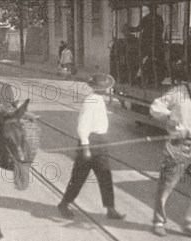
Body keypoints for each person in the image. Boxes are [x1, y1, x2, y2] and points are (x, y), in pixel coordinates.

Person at [149, 57, 191, 240]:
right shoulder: (177, 92)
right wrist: (168, 116)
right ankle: (158, 222)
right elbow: (155, 107)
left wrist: (190, 130)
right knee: (166, 186)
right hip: (176, 146)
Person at [58, 73, 126, 220]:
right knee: (78, 177)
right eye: (106, 87)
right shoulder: (91, 102)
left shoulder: (98, 100)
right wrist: (86, 148)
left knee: (105, 176)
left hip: (100, 143)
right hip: (89, 142)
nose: (108, 89)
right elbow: (83, 126)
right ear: (101, 89)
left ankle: (110, 209)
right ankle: (64, 204)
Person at [129, 5, 166, 83]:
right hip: (154, 41)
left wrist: (130, 29)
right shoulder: (157, 18)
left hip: (150, 41)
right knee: (150, 58)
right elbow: (161, 29)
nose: (153, 10)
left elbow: (139, 28)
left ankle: (143, 76)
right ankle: (146, 76)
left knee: (147, 58)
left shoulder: (147, 18)